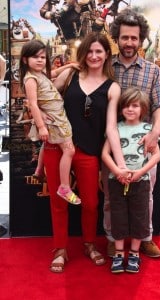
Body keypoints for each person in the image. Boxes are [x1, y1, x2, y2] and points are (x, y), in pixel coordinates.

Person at [43, 32, 122, 272]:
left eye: (99, 51)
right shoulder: (70, 75)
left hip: (89, 150)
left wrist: (120, 164)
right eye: (90, 51)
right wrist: (42, 115)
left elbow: (111, 127)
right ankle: (60, 248)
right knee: (59, 201)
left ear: (107, 54)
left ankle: (89, 243)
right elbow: (40, 85)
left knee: (90, 202)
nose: (94, 55)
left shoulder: (113, 87)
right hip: (57, 146)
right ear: (83, 53)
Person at [103, 8, 160, 258]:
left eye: (134, 38)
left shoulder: (152, 70)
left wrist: (154, 135)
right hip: (113, 144)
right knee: (111, 197)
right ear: (116, 38)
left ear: (141, 40)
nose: (129, 42)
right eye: (125, 37)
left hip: (144, 146)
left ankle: (146, 237)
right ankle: (112, 237)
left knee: (145, 197)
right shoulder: (107, 67)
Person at [102, 86, 160, 274]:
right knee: (117, 216)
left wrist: (140, 172)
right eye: (126, 105)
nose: (130, 109)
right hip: (116, 180)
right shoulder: (115, 129)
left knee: (139, 217)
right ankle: (119, 253)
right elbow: (105, 154)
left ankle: (134, 253)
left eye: (135, 106)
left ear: (142, 108)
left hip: (141, 181)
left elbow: (156, 156)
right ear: (121, 109)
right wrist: (117, 171)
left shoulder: (148, 129)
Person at [19, 39, 81, 205]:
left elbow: (53, 73)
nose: (40, 60)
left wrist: (69, 66)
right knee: (69, 150)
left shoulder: (40, 74)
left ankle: (39, 170)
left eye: (43, 57)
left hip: (57, 116)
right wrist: (41, 126)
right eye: (35, 57)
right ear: (25, 60)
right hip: (54, 120)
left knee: (47, 146)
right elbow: (32, 103)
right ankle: (65, 186)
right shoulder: (30, 79)